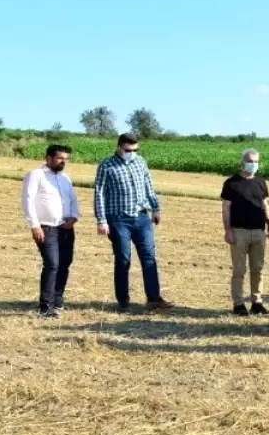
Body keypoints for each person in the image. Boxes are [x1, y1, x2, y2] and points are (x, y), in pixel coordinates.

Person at [93, 134, 175, 313]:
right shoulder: (106, 165)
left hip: (142, 217)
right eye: (129, 150)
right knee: (123, 259)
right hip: (118, 219)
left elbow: (148, 186)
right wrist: (102, 220)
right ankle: (123, 301)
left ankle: (153, 299)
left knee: (149, 258)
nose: (132, 153)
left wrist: (156, 208)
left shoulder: (140, 162)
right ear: (119, 147)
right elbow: (99, 193)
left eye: (135, 150)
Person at [21, 144, 80, 318]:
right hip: (46, 227)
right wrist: (35, 225)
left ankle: (57, 300)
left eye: (66, 159)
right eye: (60, 158)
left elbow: (73, 199)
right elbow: (28, 200)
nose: (64, 161)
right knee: (52, 264)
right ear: (49, 157)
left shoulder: (65, 178)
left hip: (66, 228)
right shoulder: (36, 175)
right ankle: (46, 307)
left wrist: (74, 216)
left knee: (64, 263)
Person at [221, 148, 269, 316]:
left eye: (256, 162)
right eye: (250, 161)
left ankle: (257, 302)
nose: (253, 165)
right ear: (243, 162)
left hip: (259, 232)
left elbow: (265, 204)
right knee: (239, 270)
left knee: (258, 268)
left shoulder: (261, 182)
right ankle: (238, 304)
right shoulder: (231, 183)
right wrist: (228, 230)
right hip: (239, 232)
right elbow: (226, 208)